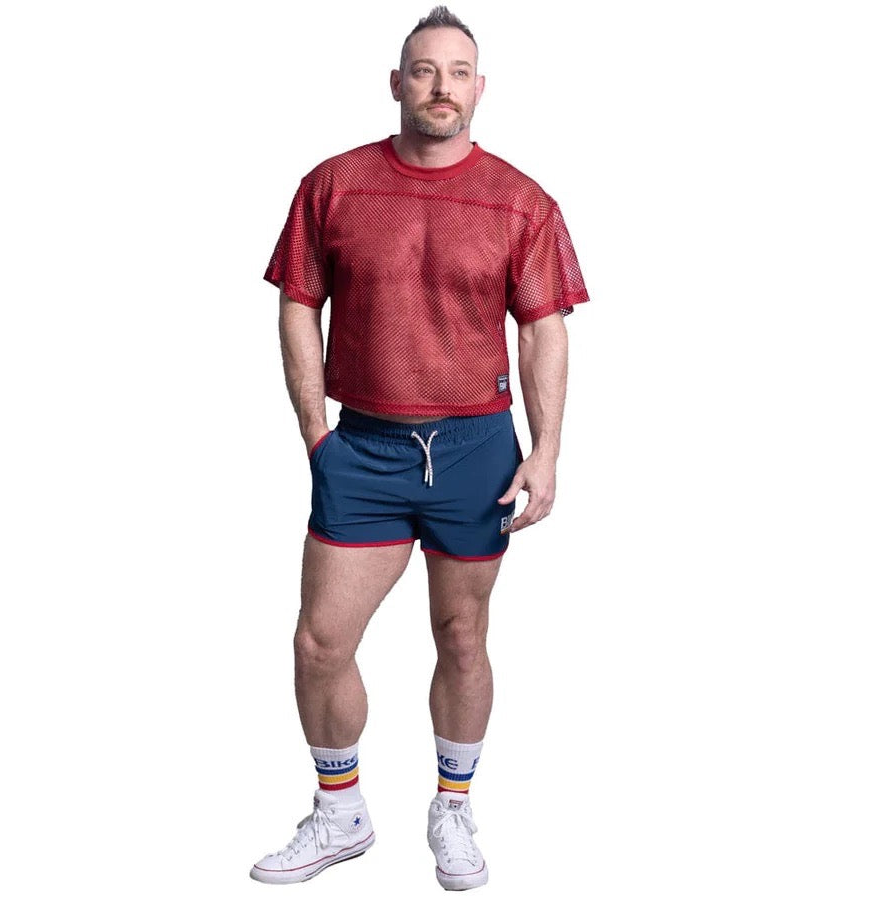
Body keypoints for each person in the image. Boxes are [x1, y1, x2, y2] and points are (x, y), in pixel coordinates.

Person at [250, 6, 589, 890]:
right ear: (396, 83)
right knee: (320, 642)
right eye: (426, 70)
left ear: (481, 88)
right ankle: (341, 813)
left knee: (463, 635)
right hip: (363, 446)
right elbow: (297, 301)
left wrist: (546, 451)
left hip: (476, 448)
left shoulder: (521, 200)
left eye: (459, 72)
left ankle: (453, 806)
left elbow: (543, 329)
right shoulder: (334, 184)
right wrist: (315, 430)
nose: (443, 87)